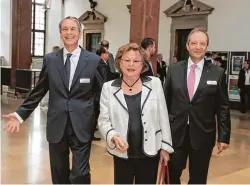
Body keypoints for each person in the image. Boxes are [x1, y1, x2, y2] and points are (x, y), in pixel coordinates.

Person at [2, 16, 106, 184]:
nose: (69, 32)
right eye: (65, 29)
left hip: (82, 124)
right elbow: (39, 90)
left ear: (79, 33)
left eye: (73, 29)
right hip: (57, 124)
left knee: (80, 173)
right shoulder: (51, 60)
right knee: (58, 173)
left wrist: (109, 125)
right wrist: (21, 114)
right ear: (60, 33)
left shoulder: (94, 61)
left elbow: (103, 96)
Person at [98, 43, 174, 184]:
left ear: (143, 65)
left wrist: (166, 147)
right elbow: (103, 120)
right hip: (122, 153)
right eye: (126, 60)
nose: (131, 64)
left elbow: (163, 117)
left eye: (136, 61)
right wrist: (113, 136)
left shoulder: (155, 84)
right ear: (119, 63)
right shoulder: (108, 88)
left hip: (150, 151)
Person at [164, 27, 231, 184]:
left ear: (207, 47)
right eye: (194, 43)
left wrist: (224, 136)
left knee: (198, 178)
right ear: (187, 46)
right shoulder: (174, 70)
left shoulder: (217, 73)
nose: (198, 47)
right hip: (176, 133)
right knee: (172, 175)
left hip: (203, 134)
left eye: (202, 43)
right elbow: (165, 103)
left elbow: (223, 107)